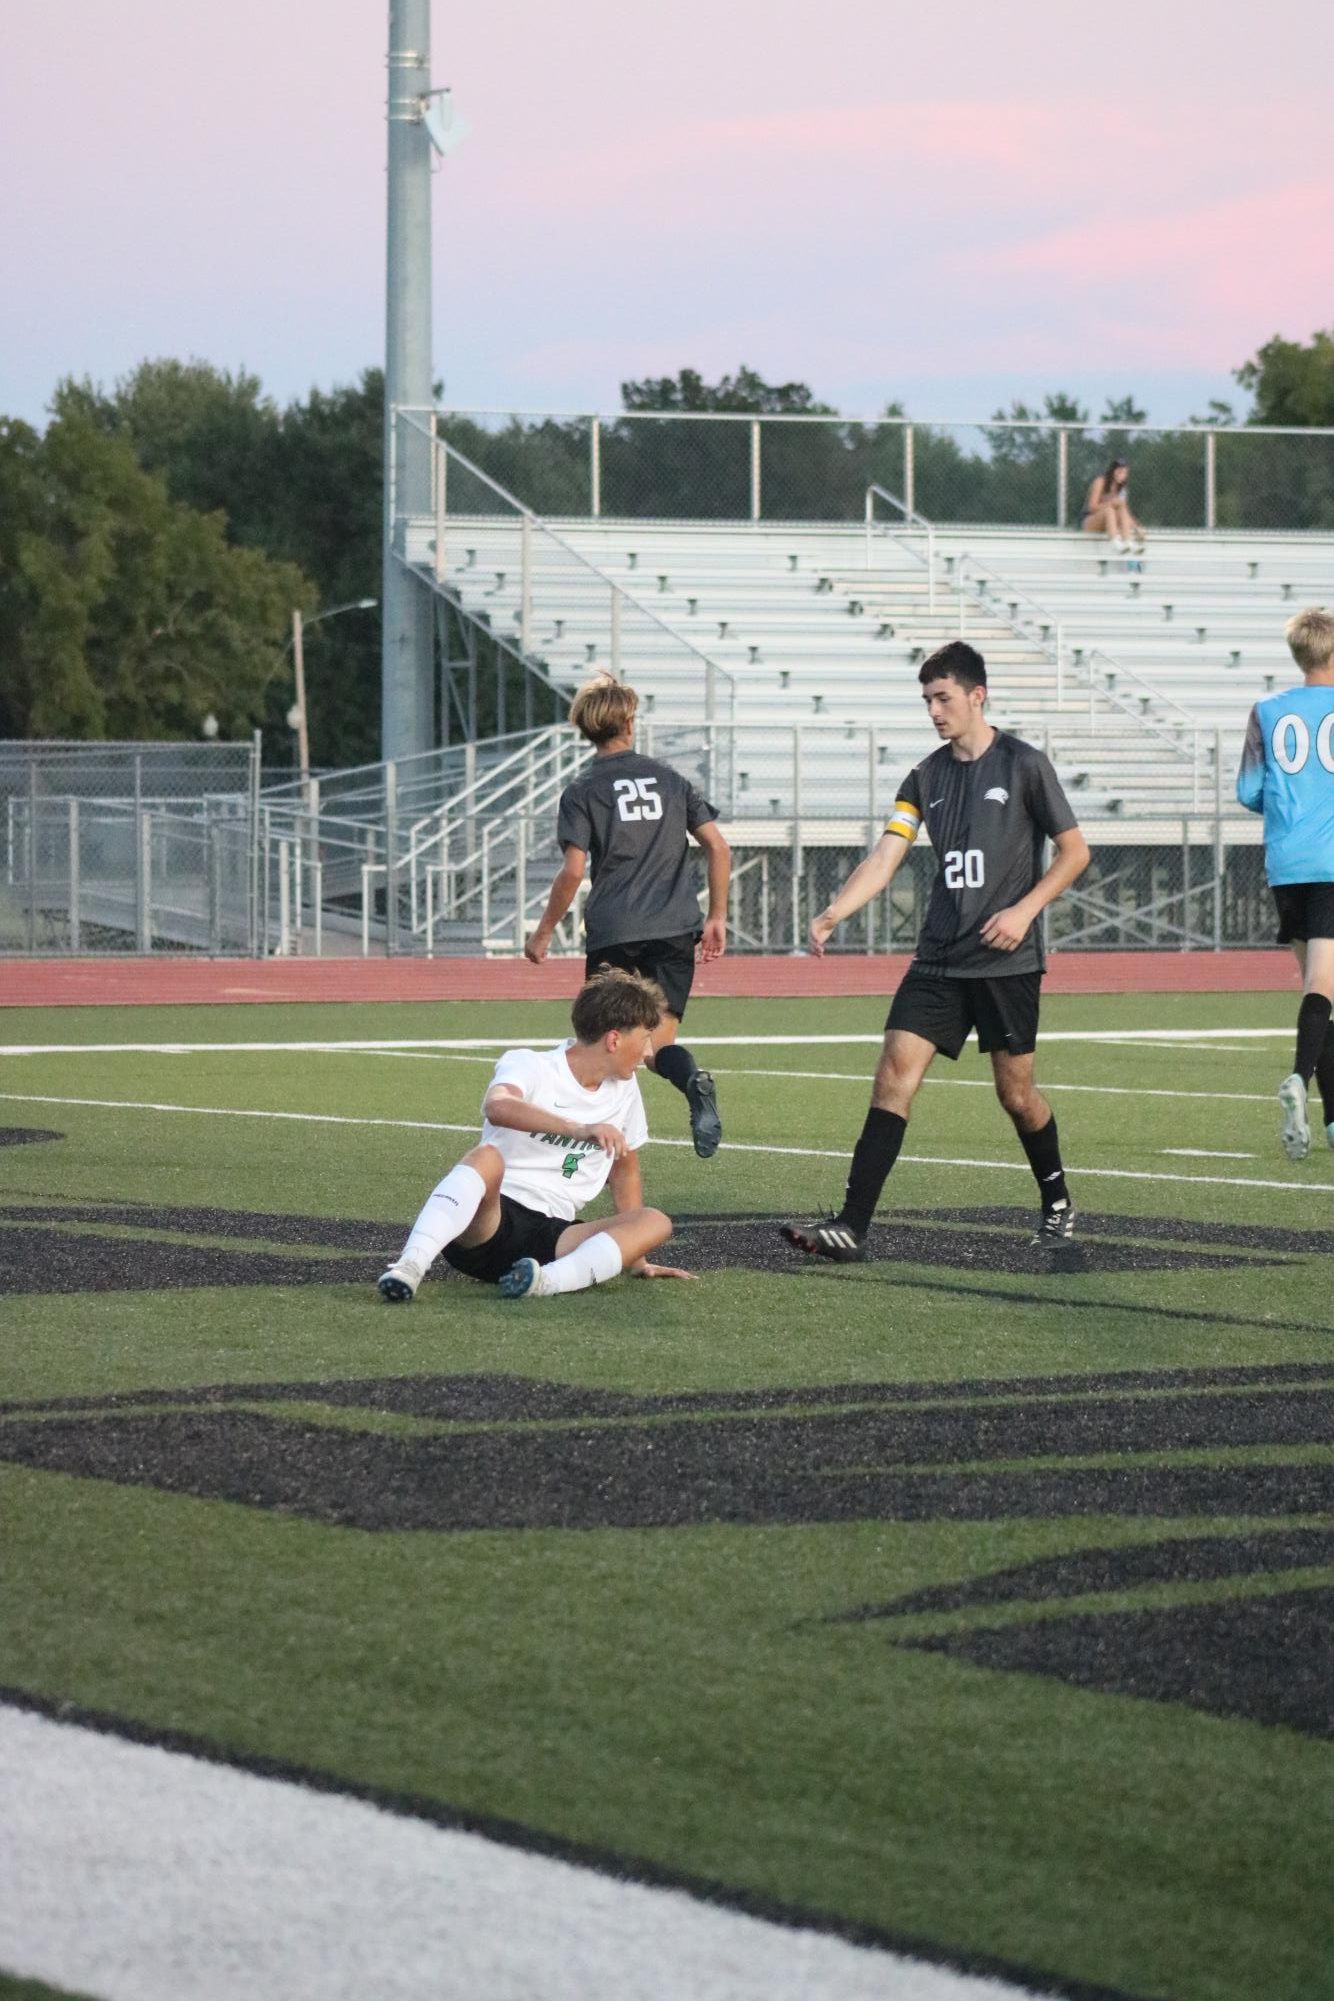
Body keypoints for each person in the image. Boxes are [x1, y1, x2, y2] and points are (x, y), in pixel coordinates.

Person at [781, 640, 1090, 1263]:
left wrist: (1025, 909)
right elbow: (887, 855)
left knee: (1017, 1096)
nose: (933, 710)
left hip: (1007, 962)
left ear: (978, 696)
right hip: (938, 960)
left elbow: (1076, 852)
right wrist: (837, 910)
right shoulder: (924, 776)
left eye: (942, 697)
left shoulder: (1026, 765)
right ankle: (852, 1225)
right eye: (926, 699)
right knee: (893, 1073)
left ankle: (1057, 1201)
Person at [377, 968, 692, 1302]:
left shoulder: (625, 1090)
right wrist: (579, 1129)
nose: (647, 1052)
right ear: (614, 1040)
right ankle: (410, 1266)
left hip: (554, 1237)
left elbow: (623, 1163)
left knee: (655, 1222)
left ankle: (544, 1282)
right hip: (488, 1222)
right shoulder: (532, 1065)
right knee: (486, 1158)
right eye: (644, 1038)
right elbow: (497, 1106)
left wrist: (635, 1255)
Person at [524, 672, 731, 1160]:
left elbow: (573, 872)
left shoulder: (583, 790)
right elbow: (717, 847)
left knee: (607, 1046)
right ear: (630, 723)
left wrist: (544, 930)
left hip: (615, 932)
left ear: (586, 728)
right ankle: (690, 1082)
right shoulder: (671, 779)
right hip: (676, 927)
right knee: (655, 1046)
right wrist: (716, 915)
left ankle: (584, 1154)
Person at [1236, 606, 1334, 1160]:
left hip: (1286, 863)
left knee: (1318, 992)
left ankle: (1333, 1120)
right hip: (1333, 862)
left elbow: (1249, 791)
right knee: (1324, 985)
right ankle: (1297, 1077)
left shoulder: (1268, 710)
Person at [1080, 457, 1145, 553]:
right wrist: (1110, 503)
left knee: (1121, 506)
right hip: (1090, 521)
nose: (1122, 475)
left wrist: (1137, 528)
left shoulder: (1122, 489)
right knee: (1109, 509)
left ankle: (1127, 542)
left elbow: (1125, 514)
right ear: (1112, 471)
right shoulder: (1101, 481)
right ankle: (1115, 543)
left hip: (1109, 524)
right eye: (1119, 471)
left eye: (1124, 473)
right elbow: (1091, 507)